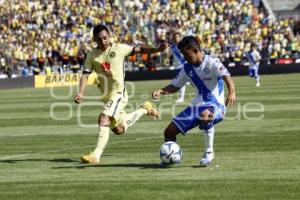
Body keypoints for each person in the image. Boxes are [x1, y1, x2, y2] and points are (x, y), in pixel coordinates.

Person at [74, 24, 168, 164]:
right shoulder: (92, 55)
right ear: (95, 40)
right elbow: (85, 75)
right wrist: (80, 93)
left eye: (105, 38)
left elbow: (139, 49)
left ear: (109, 36)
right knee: (119, 129)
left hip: (119, 93)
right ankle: (145, 109)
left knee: (103, 118)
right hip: (107, 97)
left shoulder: (119, 49)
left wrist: (157, 49)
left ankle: (96, 155)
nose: (103, 41)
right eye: (100, 39)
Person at [152, 36, 236, 166]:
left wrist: (232, 92)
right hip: (196, 106)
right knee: (169, 132)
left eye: (187, 55)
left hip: (216, 105)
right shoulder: (187, 68)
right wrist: (161, 91)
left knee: (205, 115)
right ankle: (170, 158)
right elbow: (175, 86)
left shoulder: (213, 62)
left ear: (196, 50)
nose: (185, 58)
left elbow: (227, 76)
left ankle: (209, 152)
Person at [170, 32, 187, 103]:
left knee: (181, 82)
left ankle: (181, 98)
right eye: (175, 37)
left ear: (180, 37)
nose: (176, 38)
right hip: (177, 66)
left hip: (184, 65)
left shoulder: (184, 45)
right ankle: (181, 97)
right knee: (180, 82)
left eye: (178, 37)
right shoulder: (173, 47)